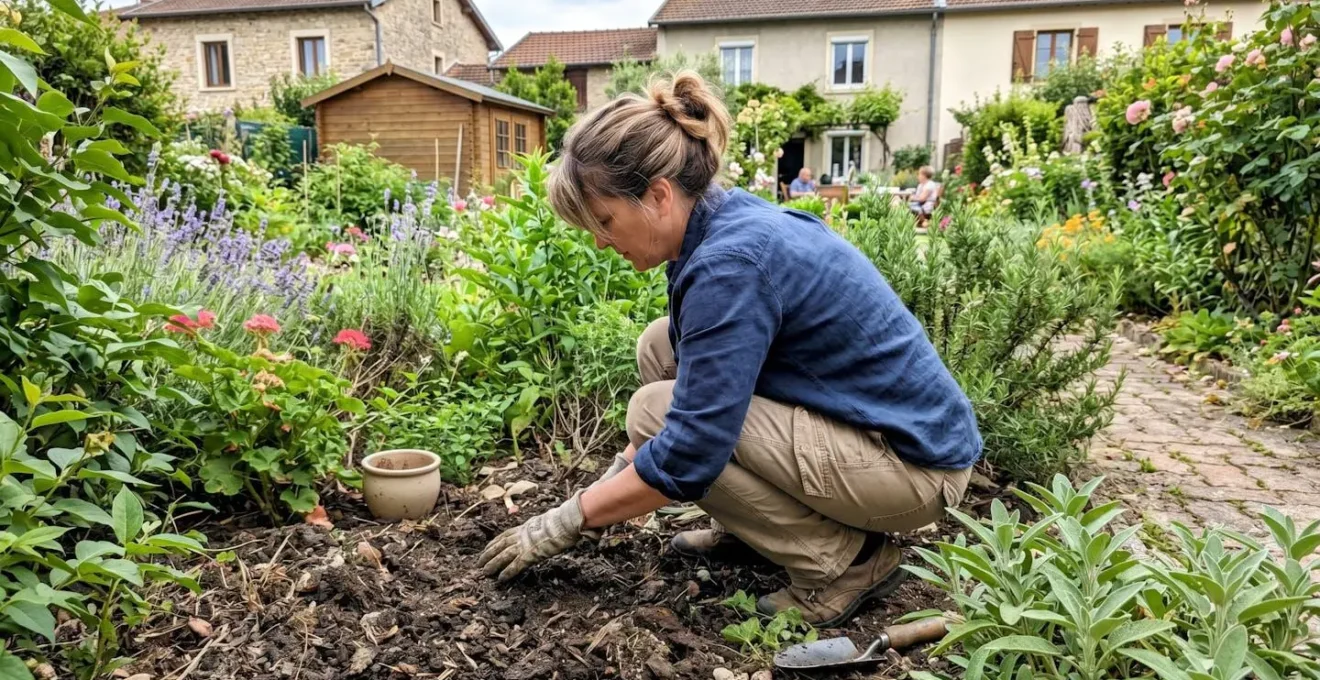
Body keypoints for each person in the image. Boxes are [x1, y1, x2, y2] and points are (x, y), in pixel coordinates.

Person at [476, 72, 981, 627]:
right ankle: (759, 527)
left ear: (658, 195)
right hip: (876, 434)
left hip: (911, 470)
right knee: (660, 347)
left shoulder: (729, 266)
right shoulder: (720, 221)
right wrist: (613, 479)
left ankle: (848, 563)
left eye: (604, 220)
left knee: (657, 414)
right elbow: (707, 388)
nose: (600, 239)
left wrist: (569, 519)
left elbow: (690, 447)